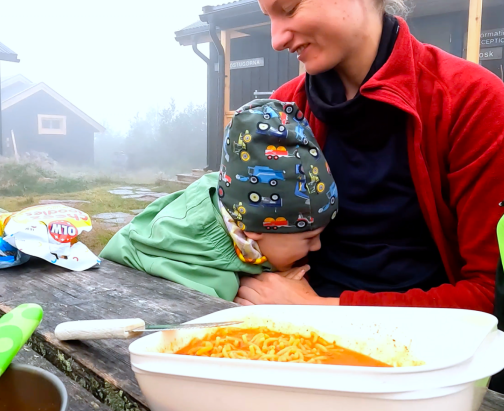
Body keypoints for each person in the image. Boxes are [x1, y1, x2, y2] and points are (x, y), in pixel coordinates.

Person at [235, 0, 504, 312]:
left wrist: (325, 309)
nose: (276, 38)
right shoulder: (284, 110)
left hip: (427, 353)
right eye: (269, 17)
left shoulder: (467, 99)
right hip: (295, 334)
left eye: (288, 8)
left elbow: (496, 293)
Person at [100, 99, 338, 301]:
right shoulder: (208, 272)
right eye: (308, 238)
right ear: (255, 230)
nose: (317, 246)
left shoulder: (234, 198)